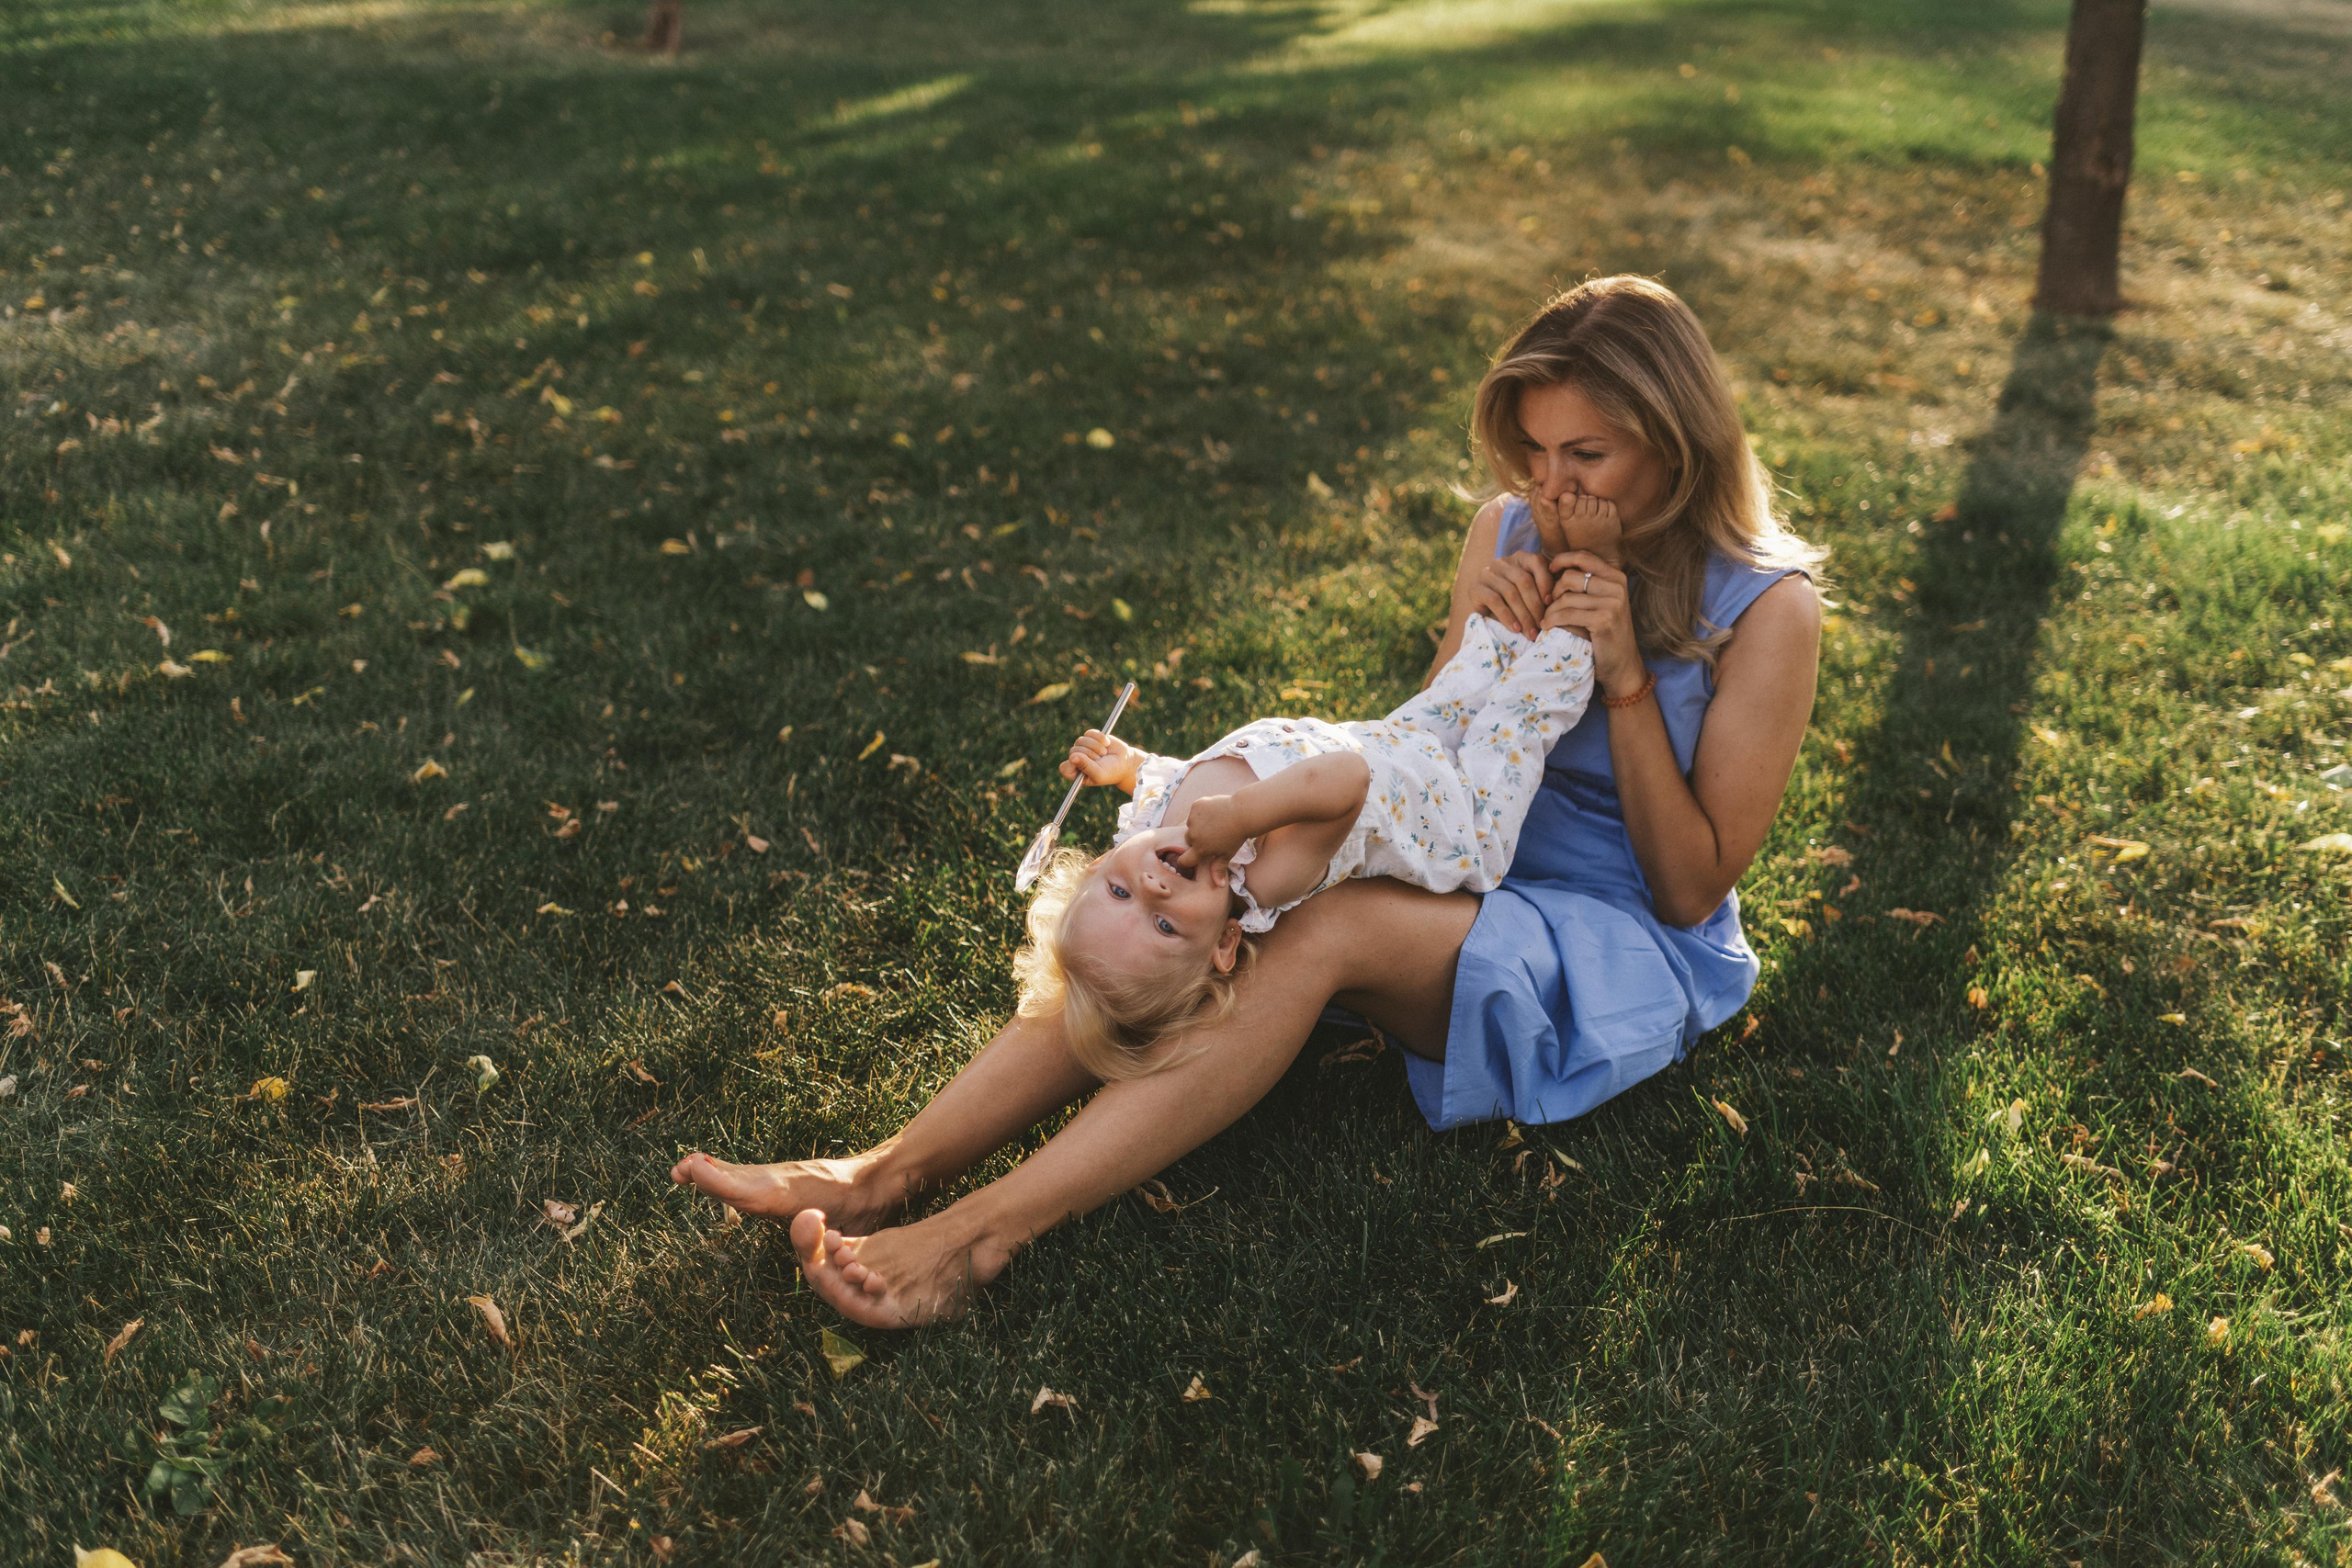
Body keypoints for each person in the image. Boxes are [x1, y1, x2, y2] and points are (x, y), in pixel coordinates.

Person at [671, 275, 1825, 1327]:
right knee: (1189, 882)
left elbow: (1688, 888)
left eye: (1589, 457)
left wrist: (1622, 678)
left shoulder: (1767, 610)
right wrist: (1500, 645)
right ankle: (883, 1170)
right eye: (1531, 451)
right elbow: (1425, 747)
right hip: (1465, 864)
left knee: (1317, 927)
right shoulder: (1506, 532)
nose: (1548, 487)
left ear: (1678, 445)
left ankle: (977, 1237)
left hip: (1606, 934)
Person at [1023, 607, 1592, 1084]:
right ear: (1224, 942)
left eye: (1119, 891)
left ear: (1100, 863)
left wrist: (1130, 766)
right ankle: (1573, 633)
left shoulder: (1158, 819)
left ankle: (1512, 627)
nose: (1152, 888)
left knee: (1465, 684)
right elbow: (1345, 778)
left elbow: (1178, 779)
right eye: (1166, 927)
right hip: (1453, 821)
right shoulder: (1264, 879)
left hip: (1398, 744)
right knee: (1518, 718)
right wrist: (1244, 817)